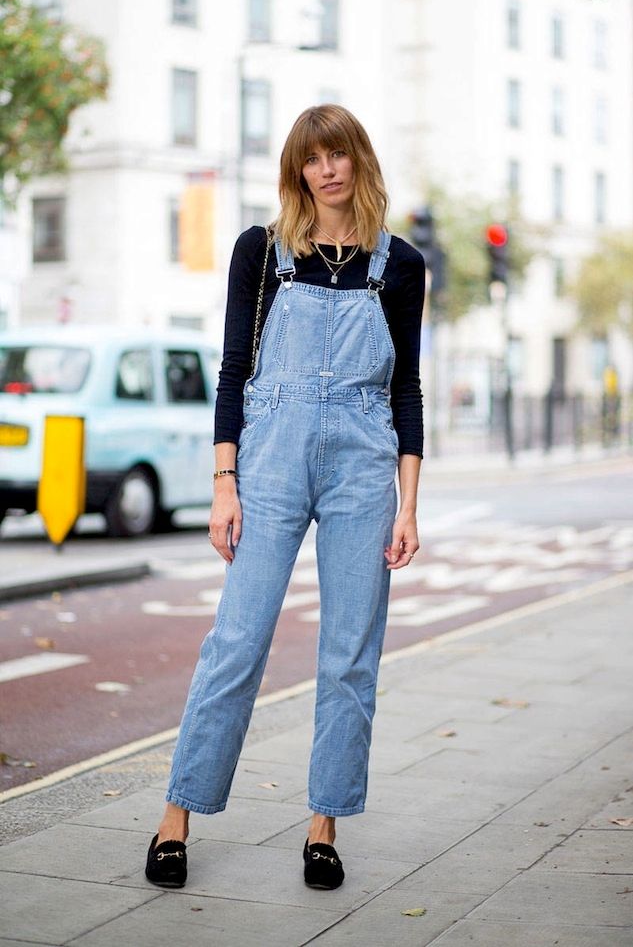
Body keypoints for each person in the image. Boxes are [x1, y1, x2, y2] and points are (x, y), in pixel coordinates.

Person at [145, 104, 425, 891]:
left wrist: (407, 505)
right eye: (312, 159)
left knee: (348, 655)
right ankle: (177, 814)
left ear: (358, 162)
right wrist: (222, 484)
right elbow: (234, 371)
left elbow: (405, 390)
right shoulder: (261, 253)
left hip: (364, 465)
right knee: (236, 640)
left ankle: (323, 826)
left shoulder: (398, 264)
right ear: (297, 171)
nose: (326, 169)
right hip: (269, 458)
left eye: (338, 155)